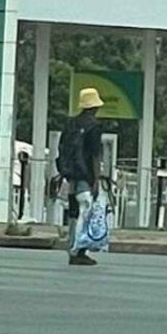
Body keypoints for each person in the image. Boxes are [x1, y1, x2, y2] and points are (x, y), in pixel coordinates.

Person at [59, 87, 105, 266]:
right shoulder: (94, 126)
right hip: (85, 175)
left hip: (70, 174)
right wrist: (96, 179)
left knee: (73, 213)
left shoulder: (71, 123)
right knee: (86, 211)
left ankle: (72, 247)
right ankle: (78, 251)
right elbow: (95, 155)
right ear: (95, 107)